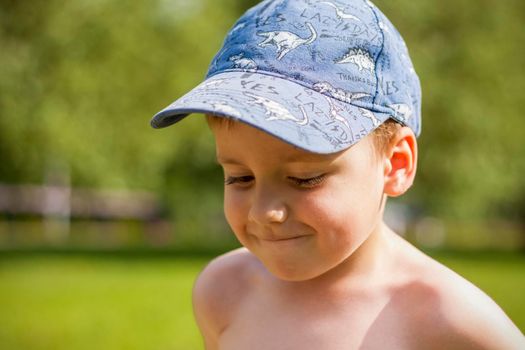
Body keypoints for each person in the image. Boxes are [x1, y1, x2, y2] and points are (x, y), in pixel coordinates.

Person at [151, 0, 525, 348]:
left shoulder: (451, 321)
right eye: (240, 178)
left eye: (304, 178)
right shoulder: (223, 292)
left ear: (395, 164)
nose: (264, 212)